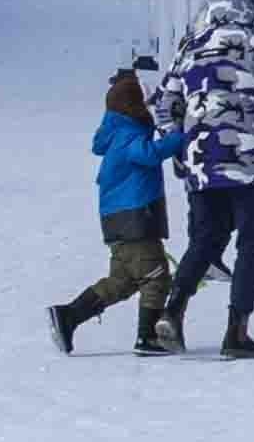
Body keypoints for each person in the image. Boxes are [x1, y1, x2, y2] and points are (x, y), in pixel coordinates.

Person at [154, 0, 254, 356]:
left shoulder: (188, 48)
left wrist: (182, 154)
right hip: (249, 163)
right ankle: (237, 331)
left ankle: (173, 311)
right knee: (250, 243)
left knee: (205, 239)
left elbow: (165, 104)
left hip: (201, 164)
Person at [53, 62, 180, 351]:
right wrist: (179, 138)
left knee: (123, 280)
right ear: (134, 107)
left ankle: (69, 316)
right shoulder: (129, 134)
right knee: (155, 274)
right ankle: (147, 336)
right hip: (135, 217)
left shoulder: (115, 132)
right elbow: (148, 154)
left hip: (119, 219)